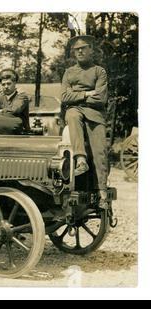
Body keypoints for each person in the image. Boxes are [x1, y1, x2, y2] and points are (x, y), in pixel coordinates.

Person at [61, 35, 109, 209]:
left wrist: (78, 96)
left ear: (91, 50)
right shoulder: (69, 72)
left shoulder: (99, 71)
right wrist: (87, 93)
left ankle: (102, 193)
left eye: (83, 48)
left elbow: (100, 98)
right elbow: (64, 97)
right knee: (72, 115)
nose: (80, 51)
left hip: (95, 114)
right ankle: (81, 159)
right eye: (76, 49)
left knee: (100, 151)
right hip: (75, 111)